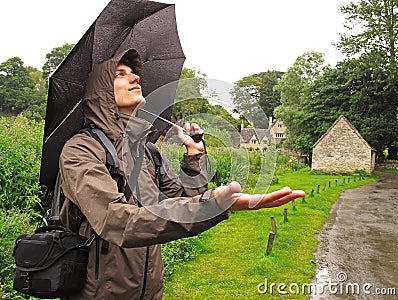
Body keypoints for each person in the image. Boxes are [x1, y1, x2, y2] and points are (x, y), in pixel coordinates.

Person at [59, 48, 305, 299]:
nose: (135, 78)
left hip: (151, 289)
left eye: (134, 73)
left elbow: (183, 198)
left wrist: (195, 155)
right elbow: (117, 221)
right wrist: (211, 205)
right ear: (100, 92)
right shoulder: (81, 150)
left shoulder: (147, 151)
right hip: (101, 293)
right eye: (120, 74)